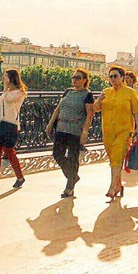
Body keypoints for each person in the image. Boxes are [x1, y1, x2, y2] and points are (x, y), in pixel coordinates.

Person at [94, 64, 138, 201]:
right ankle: (119, 185)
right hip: (108, 131)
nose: (113, 79)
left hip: (124, 131)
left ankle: (112, 187)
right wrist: (99, 100)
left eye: (115, 76)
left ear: (122, 77)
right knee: (114, 159)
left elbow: (137, 112)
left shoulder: (130, 93)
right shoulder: (106, 92)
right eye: (110, 77)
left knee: (116, 157)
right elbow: (96, 109)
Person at [46, 67, 96, 198]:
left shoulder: (87, 95)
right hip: (61, 127)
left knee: (73, 157)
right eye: (73, 77)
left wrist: (85, 133)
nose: (75, 80)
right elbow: (58, 108)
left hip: (75, 129)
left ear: (85, 80)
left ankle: (69, 187)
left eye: (78, 78)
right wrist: (51, 123)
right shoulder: (67, 91)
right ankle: (73, 176)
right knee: (57, 154)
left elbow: (90, 114)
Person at [0, 68, 27, 190]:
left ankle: (20, 177)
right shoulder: (6, 93)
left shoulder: (19, 93)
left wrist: (5, 88)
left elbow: (9, 100)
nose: (4, 78)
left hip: (10, 125)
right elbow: (0, 104)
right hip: (0, 124)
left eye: (6, 76)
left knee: (9, 152)